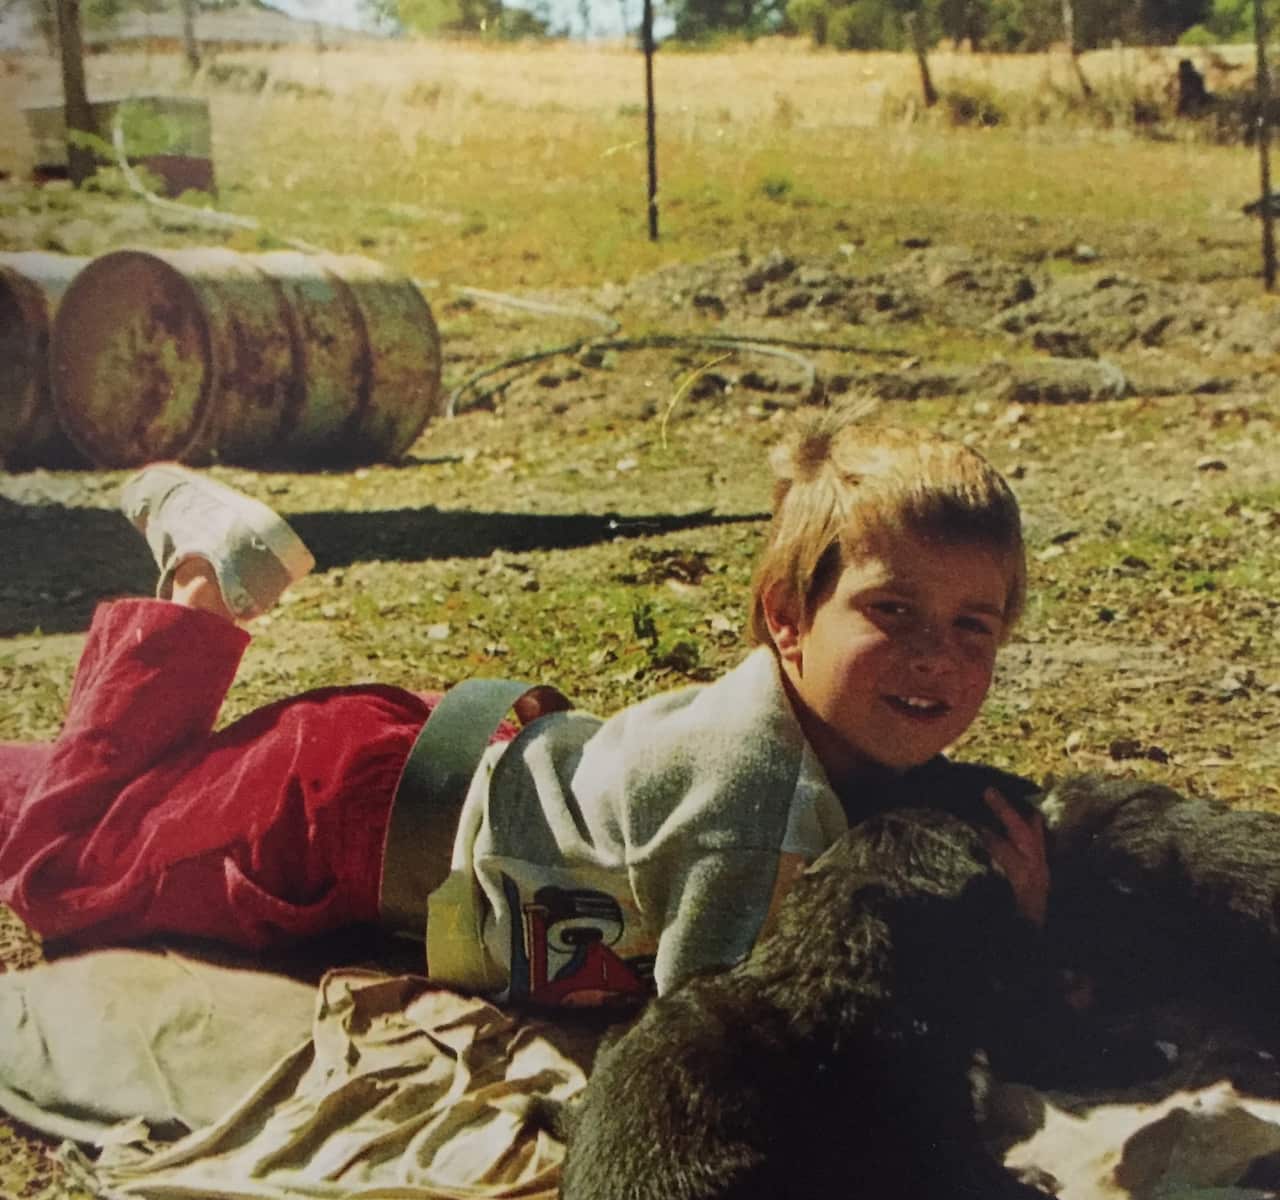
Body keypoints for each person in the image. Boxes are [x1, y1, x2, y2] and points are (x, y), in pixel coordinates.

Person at [0, 423, 1048, 1007]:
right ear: (786, 618)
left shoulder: (846, 741)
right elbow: (724, 1038)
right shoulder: (752, 805)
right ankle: (200, 577)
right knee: (65, 869)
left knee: (120, 796)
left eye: (975, 626)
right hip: (345, 817)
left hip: (421, 766)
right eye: (892, 611)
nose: (935, 656)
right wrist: (1006, 945)